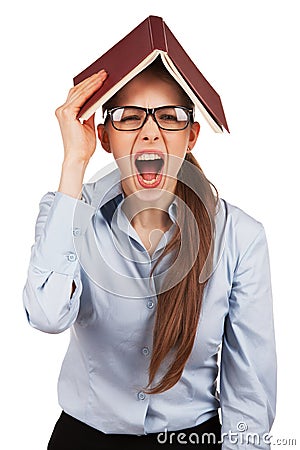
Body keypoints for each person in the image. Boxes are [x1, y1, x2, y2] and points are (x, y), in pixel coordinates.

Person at [23, 57, 277, 450]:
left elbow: (249, 396)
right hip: (83, 438)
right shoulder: (68, 214)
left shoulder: (240, 237)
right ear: (105, 137)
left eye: (169, 117)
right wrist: (74, 160)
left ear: (191, 136)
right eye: (129, 117)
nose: (150, 134)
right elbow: (45, 314)